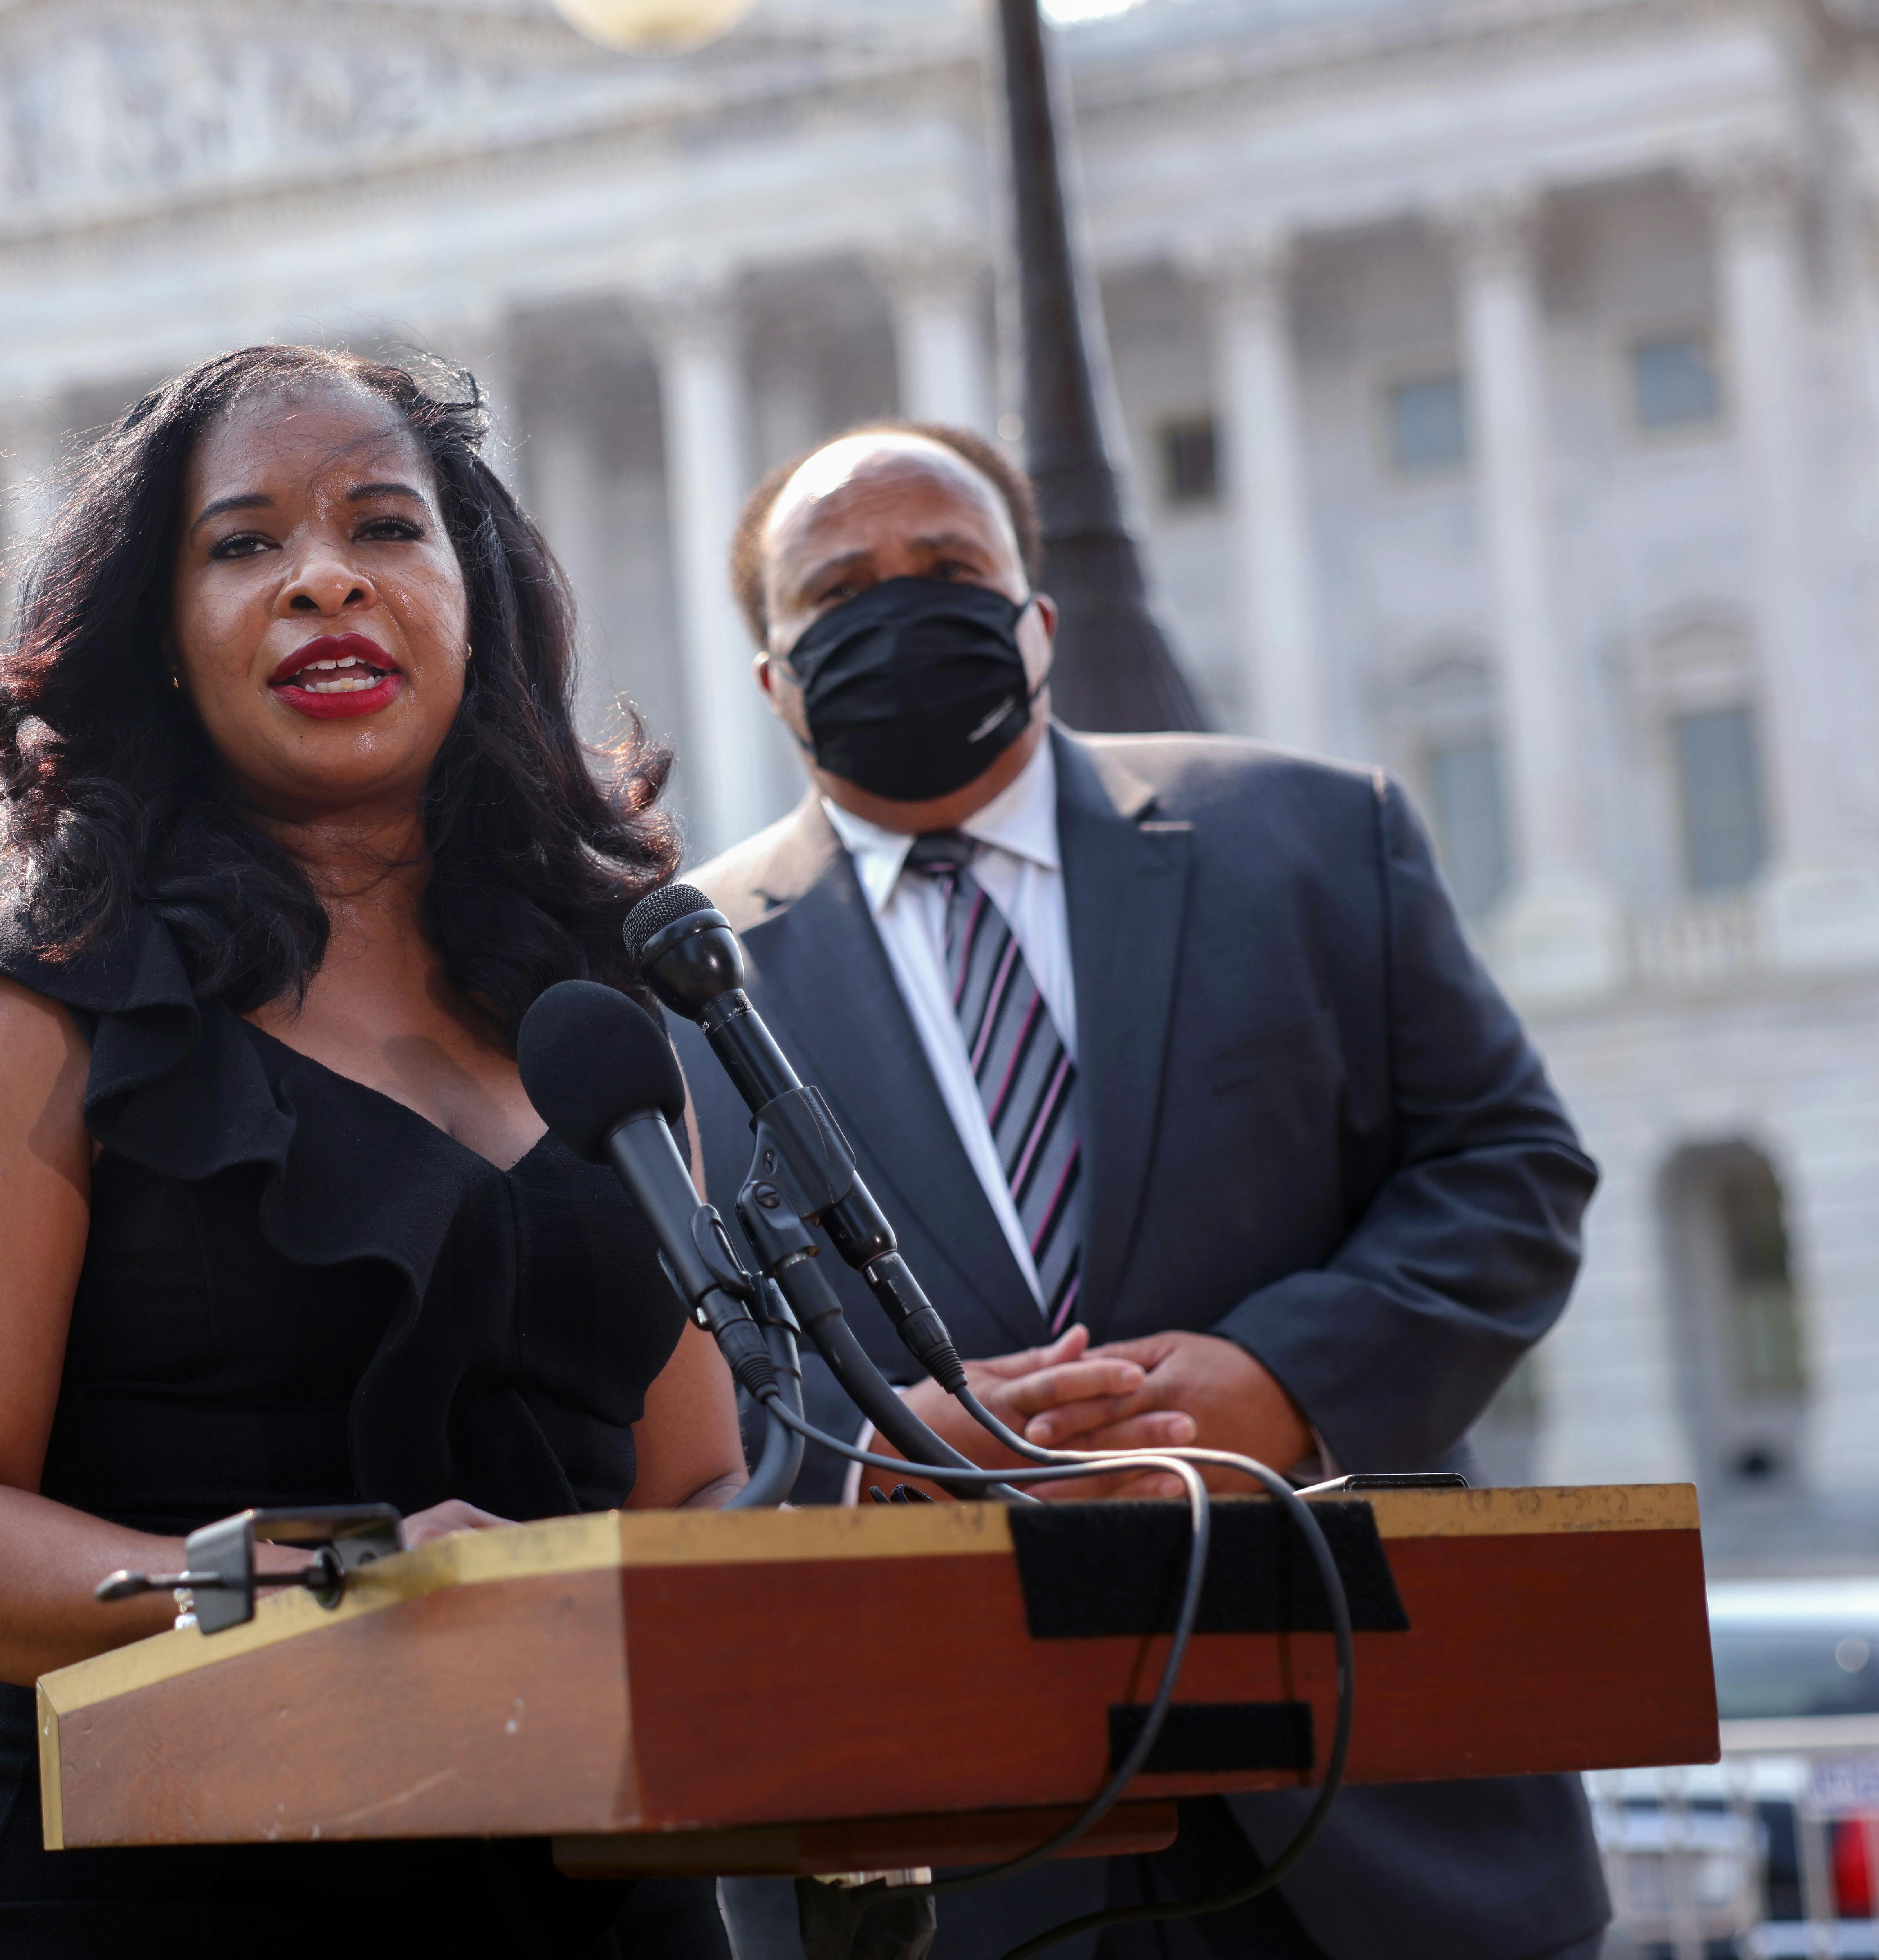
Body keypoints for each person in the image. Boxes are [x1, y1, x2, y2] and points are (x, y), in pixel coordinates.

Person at [0, 346, 746, 1959]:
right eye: (245, 544)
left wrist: (892, 1480)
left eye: (384, 527)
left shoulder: (589, 1017)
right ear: (164, 641)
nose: (324, 577)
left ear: (477, 608)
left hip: (585, 1883)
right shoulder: (26, 1020)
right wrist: (343, 1577)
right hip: (151, 1886)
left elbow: (690, 1479)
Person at [677, 421, 1610, 1960]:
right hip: (941, 1840)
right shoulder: (669, 982)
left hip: (1370, 1808)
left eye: (950, 569)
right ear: (774, 680)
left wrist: (1283, 1379)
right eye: (839, 589)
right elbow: (657, 1374)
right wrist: (884, 1455)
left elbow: (1510, 1169)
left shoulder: (1312, 837)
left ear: (1037, 623)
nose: (900, 607)